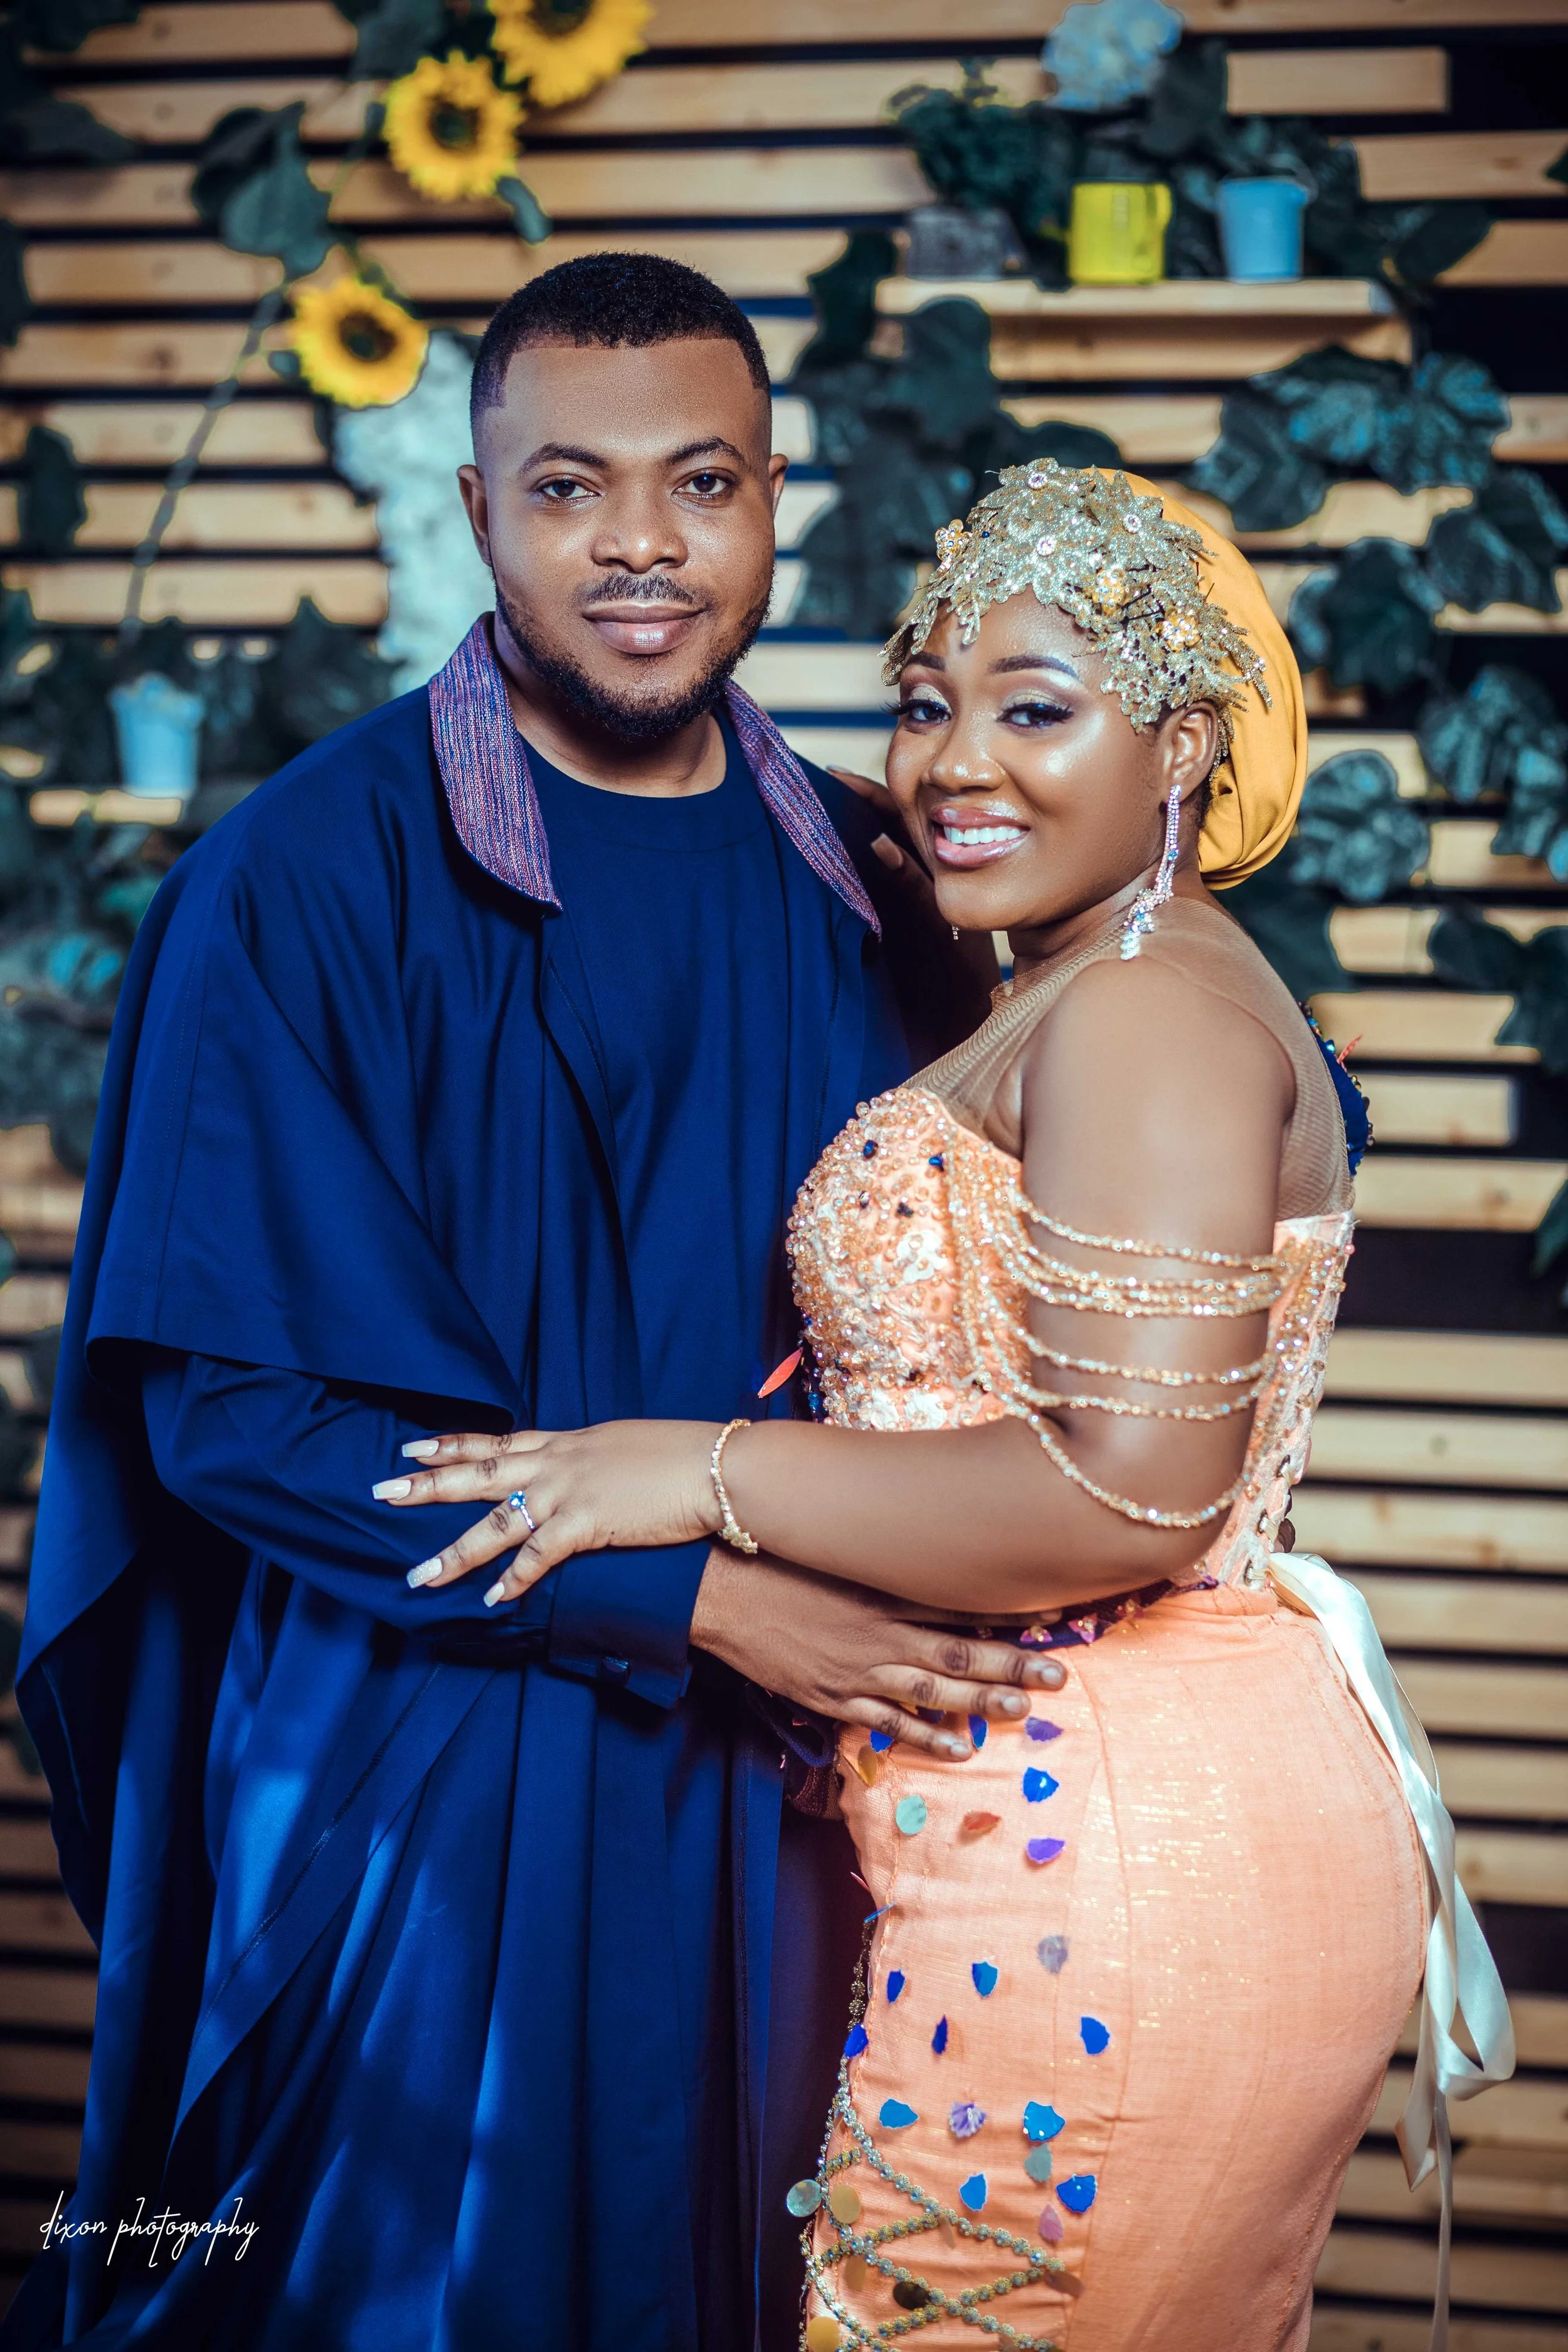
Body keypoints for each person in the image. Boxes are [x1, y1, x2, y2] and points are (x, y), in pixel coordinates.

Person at [6, 255, 1059, 2352]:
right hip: (432, 1763)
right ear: (480, 515)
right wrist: (683, 1602)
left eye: (702, 483)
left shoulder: (884, 885)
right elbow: (232, 1413)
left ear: (776, 505)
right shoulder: (295, 883)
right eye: (571, 488)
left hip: (806, 1793)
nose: (644, 545)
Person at [378, 462, 1515, 2351]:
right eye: (926, 701)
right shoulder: (1081, 989)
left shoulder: (1145, 1007)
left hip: (1103, 1844)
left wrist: (688, 1475)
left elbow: (1132, 1489)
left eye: (1036, 706)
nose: (952, 763)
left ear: (1183, 746)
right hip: (1108, 1800)